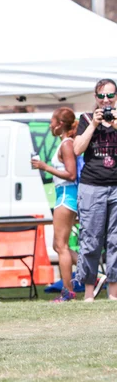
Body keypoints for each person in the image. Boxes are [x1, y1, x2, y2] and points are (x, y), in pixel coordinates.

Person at [73, 78, 117, 302]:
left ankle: (113, 293)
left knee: (115, 241)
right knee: (90, 240)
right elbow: (77, 149)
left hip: (115, 188)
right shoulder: (86, 118)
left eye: (110, 95)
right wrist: (94, 125)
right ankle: (88, 293)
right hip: (92, 187)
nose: (106, 100)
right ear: (95, 97)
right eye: (102, 96)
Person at [31, 107, 79, 302]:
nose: (50, 125)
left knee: (61, 246)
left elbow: (71, 174)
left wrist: (45, 167)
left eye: (52, 121)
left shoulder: (66, 144)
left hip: (66, 196)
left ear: (60, 124)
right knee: (59, 245)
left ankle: (68, 292)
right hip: (63, 195)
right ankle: (94, 273)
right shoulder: (64, 143)